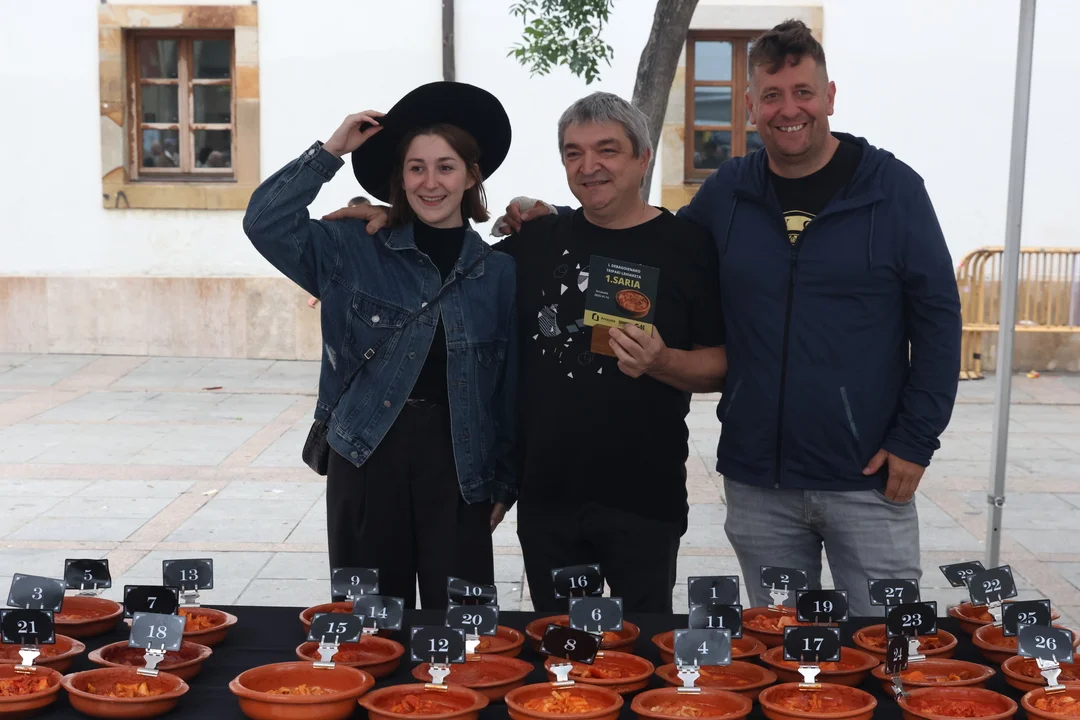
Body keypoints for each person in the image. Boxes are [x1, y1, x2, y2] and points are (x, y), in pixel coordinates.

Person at [502, 21, 963, 616]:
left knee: (883, 637)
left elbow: (938, 320)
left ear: (829, 96)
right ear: (750, 107)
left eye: (802, 92)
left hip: (866, 473)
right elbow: (642, 230)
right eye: (771, 95)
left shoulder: (891, 190)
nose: (788, 109)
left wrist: (916, 439)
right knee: (780, 641)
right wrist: (556, 217)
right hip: (758, 480)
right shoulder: (729, 191)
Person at [326, 92, 727, 613]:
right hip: (548, 501)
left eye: (607, 150)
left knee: (641, 646)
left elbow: (720, 364)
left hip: (644, 497)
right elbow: (452, 273)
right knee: (557, 649)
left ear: (643, 158)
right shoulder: (536, 240)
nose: (589, 166)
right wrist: (394, 217)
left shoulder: (688, 246)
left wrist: (663, 362)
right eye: (573, 153)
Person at [243, 81, 519, 609]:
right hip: (366, 455)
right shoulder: (353, 247)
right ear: (400, 177)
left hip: (460, 464)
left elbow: (506, 387)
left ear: (471, 176)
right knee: (369, 628)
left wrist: (505, 479)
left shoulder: (499, 272)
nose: (430, 182)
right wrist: (330, 152)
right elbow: (264, 222)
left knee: (459, 629)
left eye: (445, 167)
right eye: (416, 168)